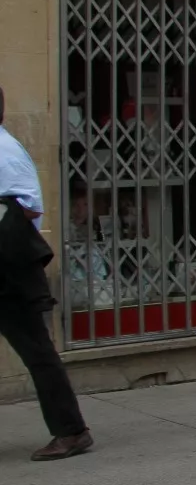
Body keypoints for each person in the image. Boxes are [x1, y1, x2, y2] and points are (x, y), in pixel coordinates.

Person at [0, 87, 93, 461]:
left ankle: (72, 431)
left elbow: (28, 208)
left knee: (37, 350)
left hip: (8, 271)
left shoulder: (5, 152)